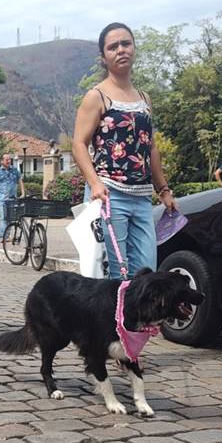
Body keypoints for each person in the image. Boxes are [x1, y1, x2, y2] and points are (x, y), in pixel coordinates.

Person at [72, 22, 176, 280]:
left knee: (146, 271)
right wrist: (94, 183)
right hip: (109, 194)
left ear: (134, 49)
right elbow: (78, 144)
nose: (121, 50)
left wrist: (163, 190)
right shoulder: (97, 96)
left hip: (141, 196)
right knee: (118, 272)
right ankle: (114, 321)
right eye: (113, 46)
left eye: (126, 44)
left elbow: (149, 147)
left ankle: (140, 322)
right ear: (103, 57)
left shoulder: (144, 98)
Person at [0, 153, 25, 243]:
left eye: (10, 159)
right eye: (7, 159)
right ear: (2, 161)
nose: (9, 161)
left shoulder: (15, 170)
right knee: (4, 217)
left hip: (12, 198)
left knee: (10, 218)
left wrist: (23, 193)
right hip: (1, 198)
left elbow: (20, 181)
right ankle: (3, 236)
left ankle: (7, 236)